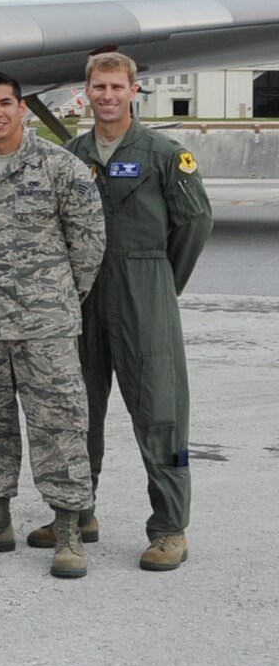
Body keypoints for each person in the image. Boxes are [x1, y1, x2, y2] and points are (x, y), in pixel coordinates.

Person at [0, 73, 105, 578]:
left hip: (46, 325)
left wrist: (56, 296)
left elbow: (89, 242)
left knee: (59, 424)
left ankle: (69, 530)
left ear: (23, 110)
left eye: (6, 103)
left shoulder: (61, 167)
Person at [56, 51, 213, 570]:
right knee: (78, 410)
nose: (107, 96)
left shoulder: (165, 153)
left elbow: (194, 225)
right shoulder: (69, 155)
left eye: (116, 87)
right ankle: (80, 512)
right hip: (83, 294)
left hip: (144, 289)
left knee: (161, 413)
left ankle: (170, 528)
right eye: (98, 87)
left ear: (133, 91)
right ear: (87, 92)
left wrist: (161, 283)